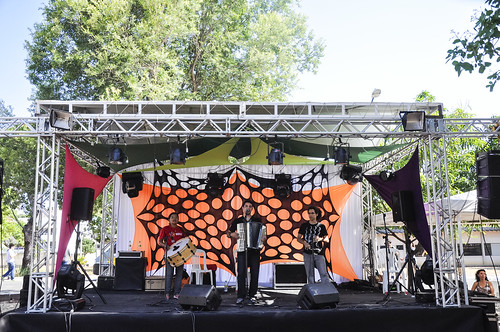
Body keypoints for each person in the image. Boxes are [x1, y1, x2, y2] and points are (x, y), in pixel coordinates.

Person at [227, 200, 265, 305]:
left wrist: (263, 238)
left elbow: (263, 234)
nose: (248, 208)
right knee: (241, 273)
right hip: (242, 250)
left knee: (255, 272)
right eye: (246, 206)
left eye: (250, 206)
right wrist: (232, 235)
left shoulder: (257, 220)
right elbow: (228, 232)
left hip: (255, 251)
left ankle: (252, 294)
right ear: (243, 208)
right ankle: (241, 296)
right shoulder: (238, 221)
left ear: (252, 209)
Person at [158, 212, 188, 300]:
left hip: (180, 255)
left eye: (176, 218)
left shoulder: (181, 230)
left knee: (179, 274)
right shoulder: (165, 229)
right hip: (169, 255)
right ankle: (167, 293)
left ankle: (177, 293)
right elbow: (159, 241)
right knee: (169, 274)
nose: (174, 219)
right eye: (172, 217)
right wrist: (164, 245)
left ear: (178, 219)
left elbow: (186, 240)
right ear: (169, 220)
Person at [297, 206, 330, 284]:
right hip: (307, 252)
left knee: (323, 273)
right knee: (310, 274)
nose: (310, 215)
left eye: (312, 213)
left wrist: (320, 239)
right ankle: (312, 291)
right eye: (309, 213)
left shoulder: (321, 226)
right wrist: (304, 243)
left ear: (316, 214)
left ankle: (326, 290)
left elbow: (327, 239)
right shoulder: (304, 226)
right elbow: (298, 238)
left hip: (319, 253)